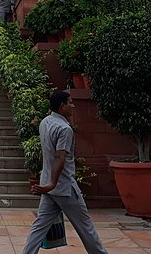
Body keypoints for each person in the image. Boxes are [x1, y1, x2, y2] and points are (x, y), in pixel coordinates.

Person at [22, 90, 108, 254]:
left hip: (49, 185)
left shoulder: (45, 122)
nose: (73, 105)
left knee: (39, 226)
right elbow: (60, 157)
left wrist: (47, 183)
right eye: (70, 102)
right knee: (85, 227)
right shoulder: (64, 129)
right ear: (62, 106)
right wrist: (53, 183)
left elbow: (45, 154)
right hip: (64, 188)